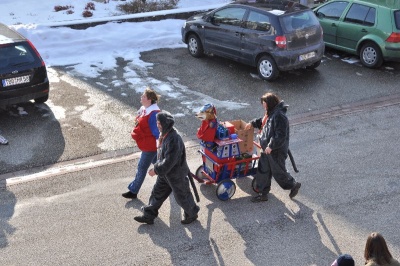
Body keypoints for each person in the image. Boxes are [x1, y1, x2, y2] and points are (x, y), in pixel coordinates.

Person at [134, 111, 200, 225]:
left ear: (165, 124)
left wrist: (155, 169)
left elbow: (169, 161)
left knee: (182, 196)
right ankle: (148, 215)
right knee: (157, 193)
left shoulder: (173, 139)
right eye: (157, 123)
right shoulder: (165, 134)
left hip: (176, 174)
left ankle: (192, 213)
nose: (157, 125)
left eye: (159, 123)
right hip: (165, 174)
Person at [245, 92, 301, 202]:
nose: (263, 106)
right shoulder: (271, 112)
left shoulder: (279, 116)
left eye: (264, 103)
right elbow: (263, 122)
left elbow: (280, 135)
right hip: (266, 149)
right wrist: (252, 123)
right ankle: (263, 194)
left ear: (269, 103)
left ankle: (293, 185)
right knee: (263, 170)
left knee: (279, 172)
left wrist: (271, 146)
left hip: (275, 151)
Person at [122, 87, 160, 199]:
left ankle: (133, 191)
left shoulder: (153, 114)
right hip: (148, 145)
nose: (141, 97)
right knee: (159, 164)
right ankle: (174, 178)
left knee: (141, 168)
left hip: (150, 146)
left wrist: (159, 145)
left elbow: (157, 132)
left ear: (149, 100)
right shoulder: (145, 109)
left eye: (143, 96)